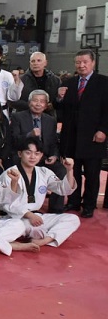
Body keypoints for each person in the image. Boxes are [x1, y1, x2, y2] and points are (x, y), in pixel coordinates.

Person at [0, 138, 79, 249]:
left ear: (41, 156)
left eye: (37, 153)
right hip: (15, 218)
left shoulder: (44, 172)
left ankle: (45, 240)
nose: (32, 157)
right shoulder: (10, 173)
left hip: (37, 217)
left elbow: (64, 190)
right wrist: (29, 215)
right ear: (20, 154)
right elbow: (5, 203)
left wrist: (69, 170)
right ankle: (35, 236)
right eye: (28, 153)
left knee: (73, 219)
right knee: (30, 228)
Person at [55, 50, 108, 218]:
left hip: (93, 136)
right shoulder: (69, 83)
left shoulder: (104, 82)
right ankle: (73, 201)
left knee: (92, 173)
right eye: (78, 62)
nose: (81, 65)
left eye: (85, 62)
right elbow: (61, 111)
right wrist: (59, 98)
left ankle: (89, 205)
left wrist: (103, 130)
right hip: (71, 136)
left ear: (93, 63)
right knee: (73, 171)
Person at [9, 89, 65, 212]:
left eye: (42, 101)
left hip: (43, 157)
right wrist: (30, 135)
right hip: (24, 157)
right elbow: (14, 140)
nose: (38, 104)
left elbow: (54, 142)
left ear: (46, 105)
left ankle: (56, 209)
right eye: (35, 101)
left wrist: (54, 155)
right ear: (29, 102)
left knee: (60, 170)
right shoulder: (18, 117)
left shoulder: (51, 120)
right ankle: (24, 206)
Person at [10, 51, 60, 116]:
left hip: (48, 117)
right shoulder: (20, 80)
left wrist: (52, 105)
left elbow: (59, 100)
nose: (35, 63)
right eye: (33, 61)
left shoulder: (55, 80)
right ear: (30, 63)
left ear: (45, 63)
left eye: (39, 60)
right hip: (25, 117)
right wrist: (32, 106)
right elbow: (12, 101)